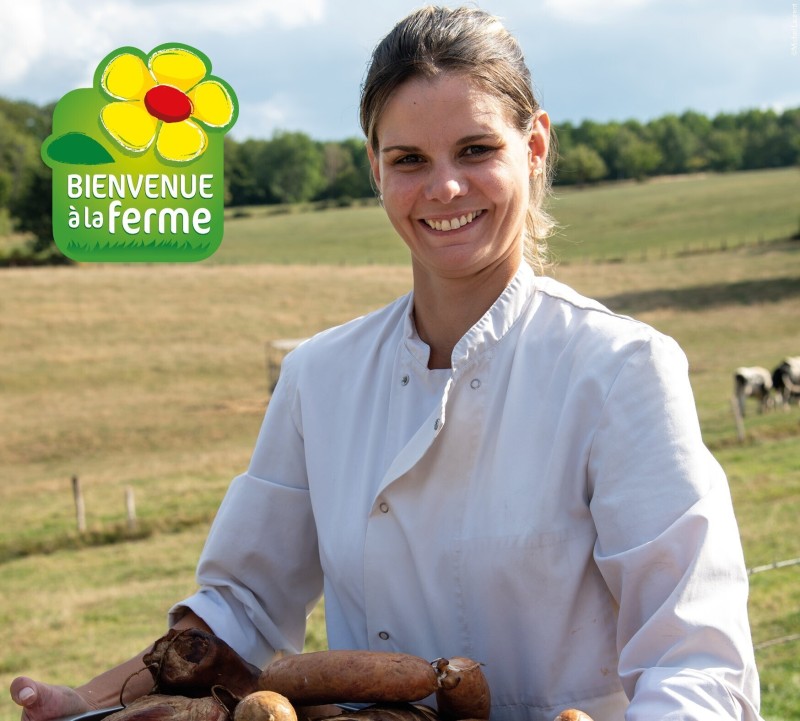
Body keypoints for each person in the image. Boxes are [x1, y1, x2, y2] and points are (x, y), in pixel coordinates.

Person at [11, 6, 763, 721]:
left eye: (476, 149)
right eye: (409, 159)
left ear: (534, 147)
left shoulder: (619, 368)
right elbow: (238, 607)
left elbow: (698, 664)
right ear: (375, 167)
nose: (444, 187)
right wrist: (87, 702)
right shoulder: (320, 376)